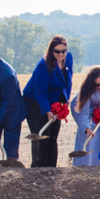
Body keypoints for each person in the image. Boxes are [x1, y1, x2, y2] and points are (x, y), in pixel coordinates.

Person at [22, 35, 73, 167]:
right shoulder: (43, 65)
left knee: (53, 136)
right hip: (36, 103)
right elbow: (39, 91)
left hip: (55, 102)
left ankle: (51, 170)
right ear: (51, 50)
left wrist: (65, 100)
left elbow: (68, 81)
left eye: (64, 51)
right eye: (57, 51)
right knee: (42, 137)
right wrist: (47, 110)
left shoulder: (69, 59)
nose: (61, 54)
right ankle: (37, 169)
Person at [71, 66, 100, 167]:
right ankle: (82, 165)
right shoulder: (87, 92)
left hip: (98, 107)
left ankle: (97, 165)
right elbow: (84, 114)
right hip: (81, 107)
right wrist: (86, 127)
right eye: (97, 85)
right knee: (88, 135)